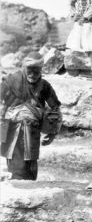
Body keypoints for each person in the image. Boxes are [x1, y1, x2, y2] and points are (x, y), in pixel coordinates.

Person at [0, 52, 61, 180]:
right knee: (16, 164)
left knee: (31, 164)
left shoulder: (44, 85)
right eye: (30, 70)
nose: (33, 75)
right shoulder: (11, 81)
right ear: (24, 67)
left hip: (33, 130)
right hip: (12, 129)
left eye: (36, 71)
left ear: (41, 70)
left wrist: (52, 132)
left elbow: (54, 107)